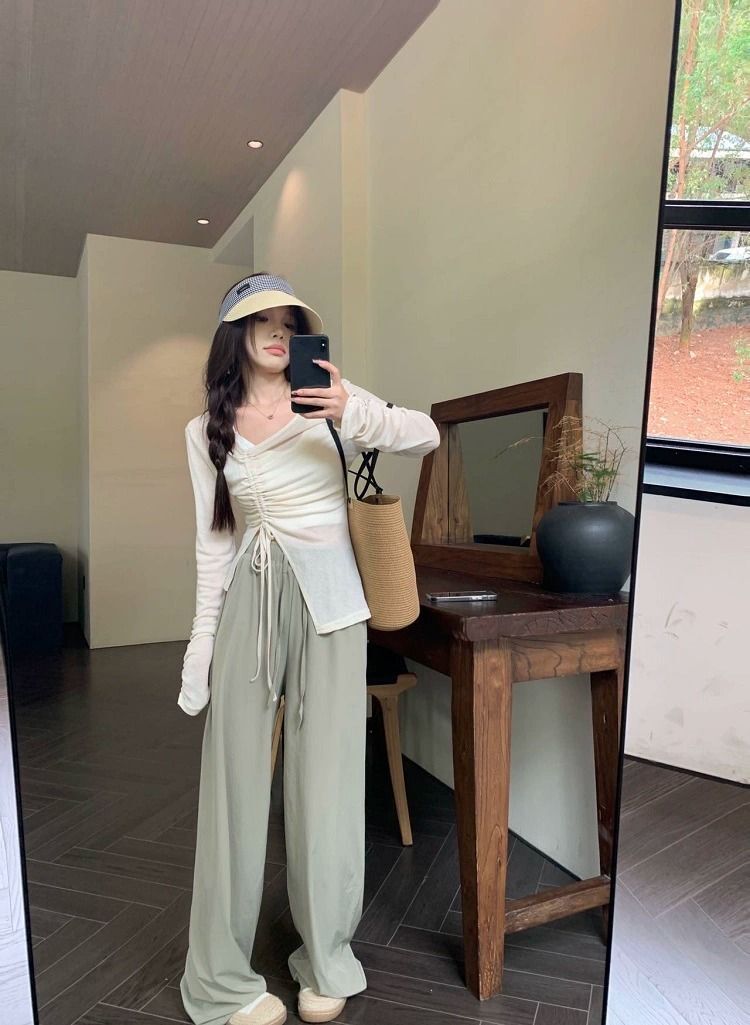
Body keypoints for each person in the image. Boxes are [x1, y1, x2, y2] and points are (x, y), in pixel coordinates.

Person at [177, 273, 440, 1025]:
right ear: (235, 333)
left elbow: (426, 433)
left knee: (329, 782)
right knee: (232, 786)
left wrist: (354, 409)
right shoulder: (204, 431)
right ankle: (221, 980)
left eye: (289, 321)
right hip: (248, 609)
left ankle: (325, 957)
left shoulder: (329, 402)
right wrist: (201, 642)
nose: (278, 331)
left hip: (332, 607)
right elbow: (213, 544)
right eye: (261, 319)